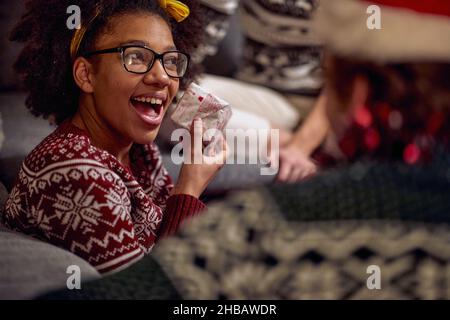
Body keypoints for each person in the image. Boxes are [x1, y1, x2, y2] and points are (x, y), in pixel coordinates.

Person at [2, 0, 226, 275]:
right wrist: (189, 188)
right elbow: (148, 289)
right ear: (86, 75)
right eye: (136, 57)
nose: (162, 77)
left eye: (170, 60)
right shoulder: (76, 172)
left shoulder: (139, 152)